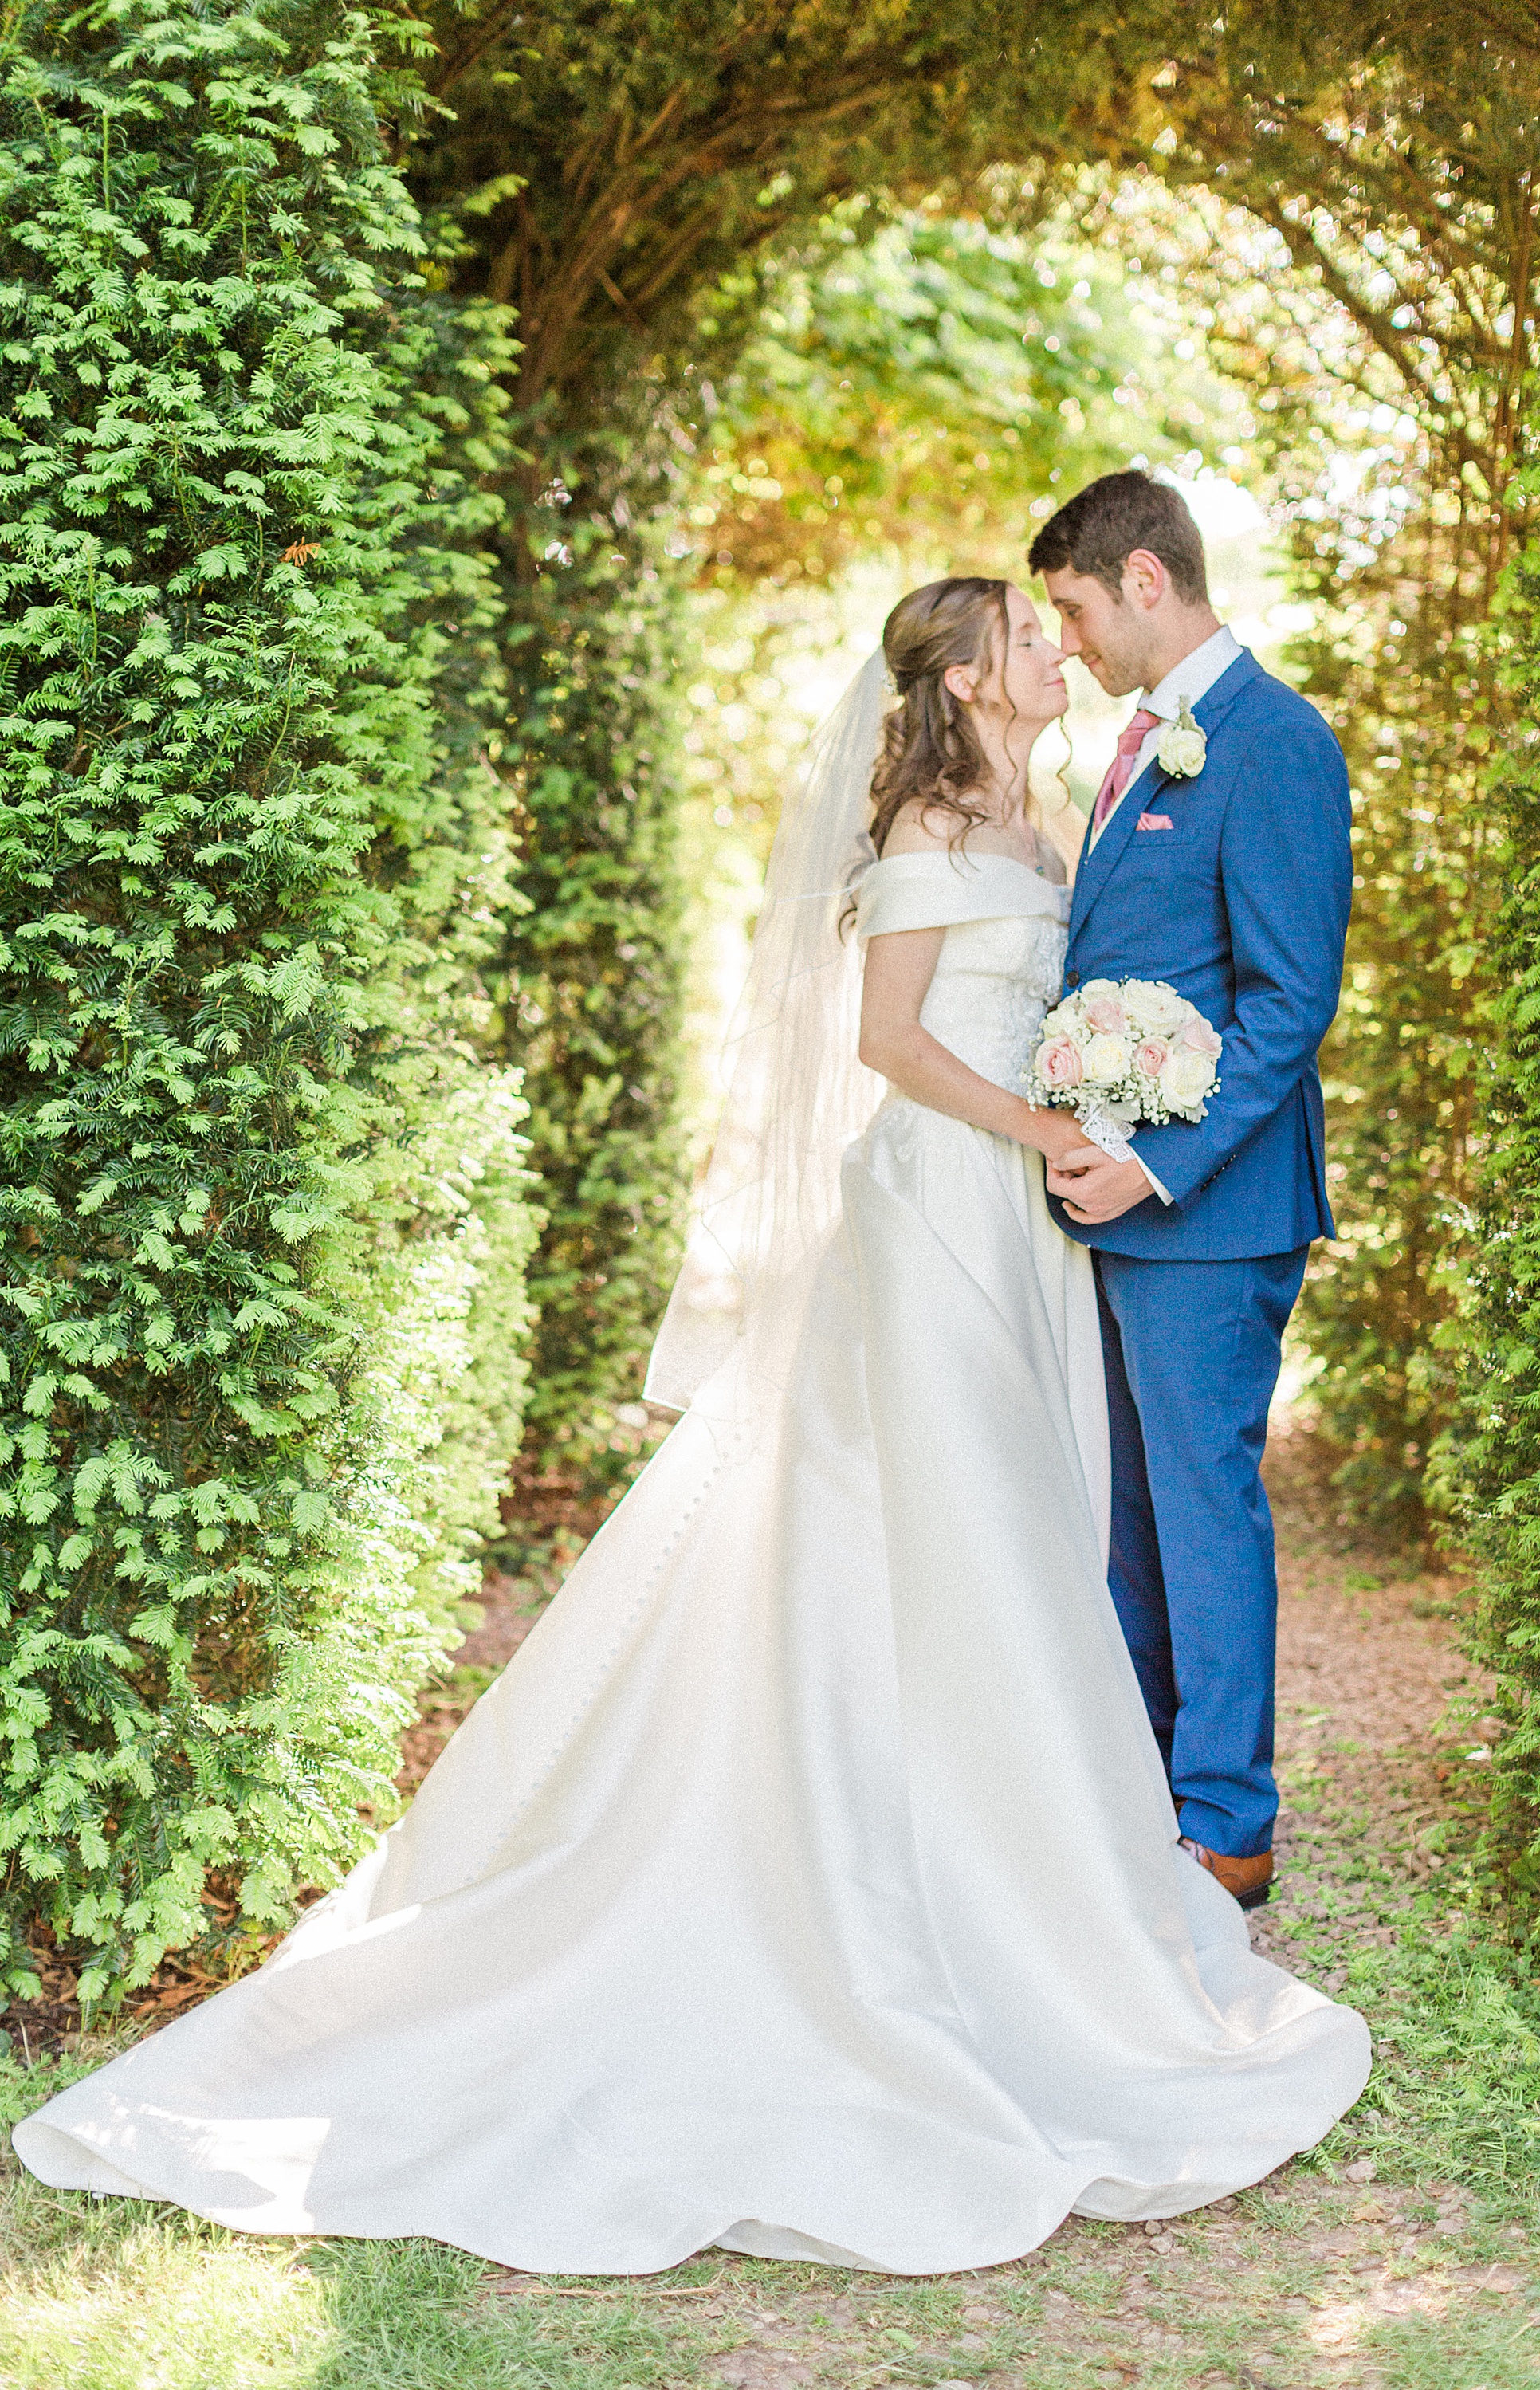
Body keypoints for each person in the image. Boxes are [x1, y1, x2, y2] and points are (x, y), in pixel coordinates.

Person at [14, 576, 1368, 2278]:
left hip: (1028, 1217)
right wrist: (1036, 1114)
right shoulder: (931, 821)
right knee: (946, 1519)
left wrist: (1106, 1091)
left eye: (1056, 624)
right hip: (941, 1212)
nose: (1056, 649)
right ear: (962, 674)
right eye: (1026, 633)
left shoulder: (1045, 811)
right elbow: (887, 1040)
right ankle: (913, 1862)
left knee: (1022, 1523)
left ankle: (1026, 1843)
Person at [1029, 470, 1354, 1912]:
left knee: (1202, 1502)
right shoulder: (1138, 745)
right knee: (1134, 1515)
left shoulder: (1274, 742)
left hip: (1210, 1213)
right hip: (1117, 1203)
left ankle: (1226, 1824)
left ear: (1146, 581)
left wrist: (1156, 1156)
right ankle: (1153, 1781)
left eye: (1079, 609)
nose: (1076, 641)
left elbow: (1290, 1003)